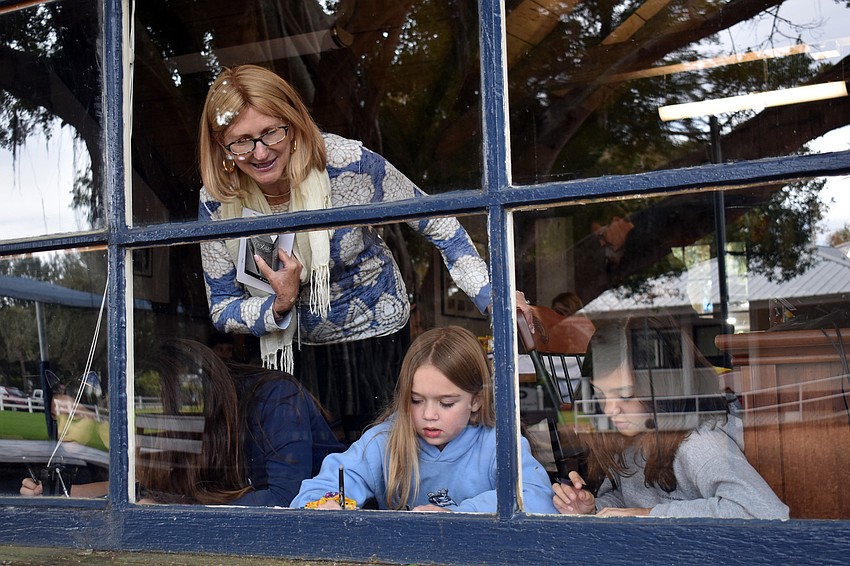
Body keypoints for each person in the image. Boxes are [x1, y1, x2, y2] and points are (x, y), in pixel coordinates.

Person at [197, 65, 492, 427]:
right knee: (315, 467)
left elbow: (437, 221)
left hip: (375, 337)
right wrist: (278, 304)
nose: (259, 153)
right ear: (222, 145)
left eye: (271, 133)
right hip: (293, 349)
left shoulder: (347, 164)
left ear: (293, 124)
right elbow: (222, 306)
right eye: (241, 141)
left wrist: (491, 296)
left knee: (379, 458)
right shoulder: (216, 201)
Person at [22, 339, 345, 506]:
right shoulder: (191, 436)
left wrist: (170, 507)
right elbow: (142, 488)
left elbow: (283, 502)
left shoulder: (277, 401)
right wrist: (56, 494)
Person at [289, 326, 557, 513]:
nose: (429, 415)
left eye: (446, 403)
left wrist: (456, 516)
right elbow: (324, 486)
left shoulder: (499, 444)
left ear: (476, 400)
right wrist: (324, 503)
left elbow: (534, 498)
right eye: (416, 401)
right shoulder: (384, 441)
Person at [552, 317, 789, 519]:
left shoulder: (700, 444)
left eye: (625, 394)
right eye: (600, 394)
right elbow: (626, 498)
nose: (610, 409)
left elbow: (763, 512)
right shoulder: (629, 432)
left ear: (663, 388)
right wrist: (592, 508)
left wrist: (650, 515)